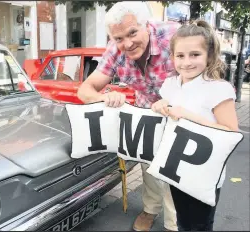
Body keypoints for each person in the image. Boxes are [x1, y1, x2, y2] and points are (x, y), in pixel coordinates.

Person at [77, 2, 180, 231]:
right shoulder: (115, 50)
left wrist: (179, 102)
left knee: (175, 173)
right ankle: (150, 210)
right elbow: (85, 90)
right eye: (119, 38)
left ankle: (175, 223)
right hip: (146, 114)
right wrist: (105, 98)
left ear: (147, 24)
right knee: (148, 168)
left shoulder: (173, 36)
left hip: (179, 114)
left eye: (132, 32)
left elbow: (205, 70)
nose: (127, 43)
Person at [151, 20, 239, 231]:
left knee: (200, 226)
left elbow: (231, 132)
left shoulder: (219, 89)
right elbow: (164, 115)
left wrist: (189, 116)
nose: (187, 62)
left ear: (209, 55)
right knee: (182, 221)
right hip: (175, 167)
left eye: (195, 55)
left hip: (204, 172)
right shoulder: (170, 84)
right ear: (172, 57)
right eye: (180, 56)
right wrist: (159, 104)